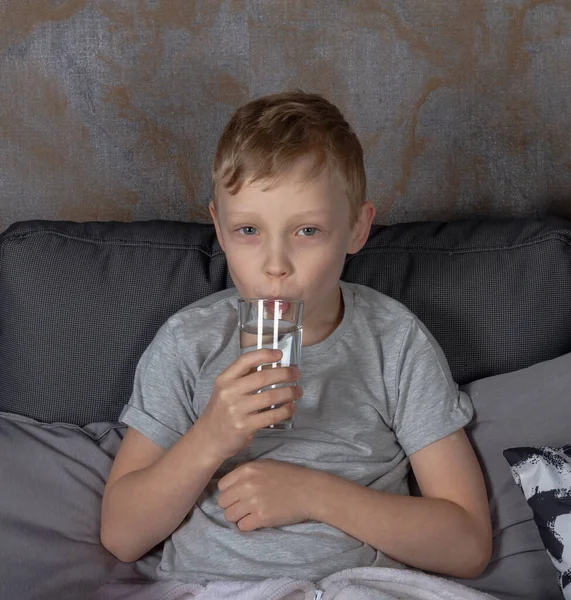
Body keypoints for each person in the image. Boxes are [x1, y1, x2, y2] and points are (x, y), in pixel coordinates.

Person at [100, 91, 492, 584]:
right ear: (218, 229)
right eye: (248, 230)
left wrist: (314, 495)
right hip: (220, 588)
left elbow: (468, 545)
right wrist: (210, 437)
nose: (276, 264)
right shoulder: (188, 343)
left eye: (307, 231)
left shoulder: (396, 343)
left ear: (356, 228)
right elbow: (122, 535)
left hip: (358, 586)